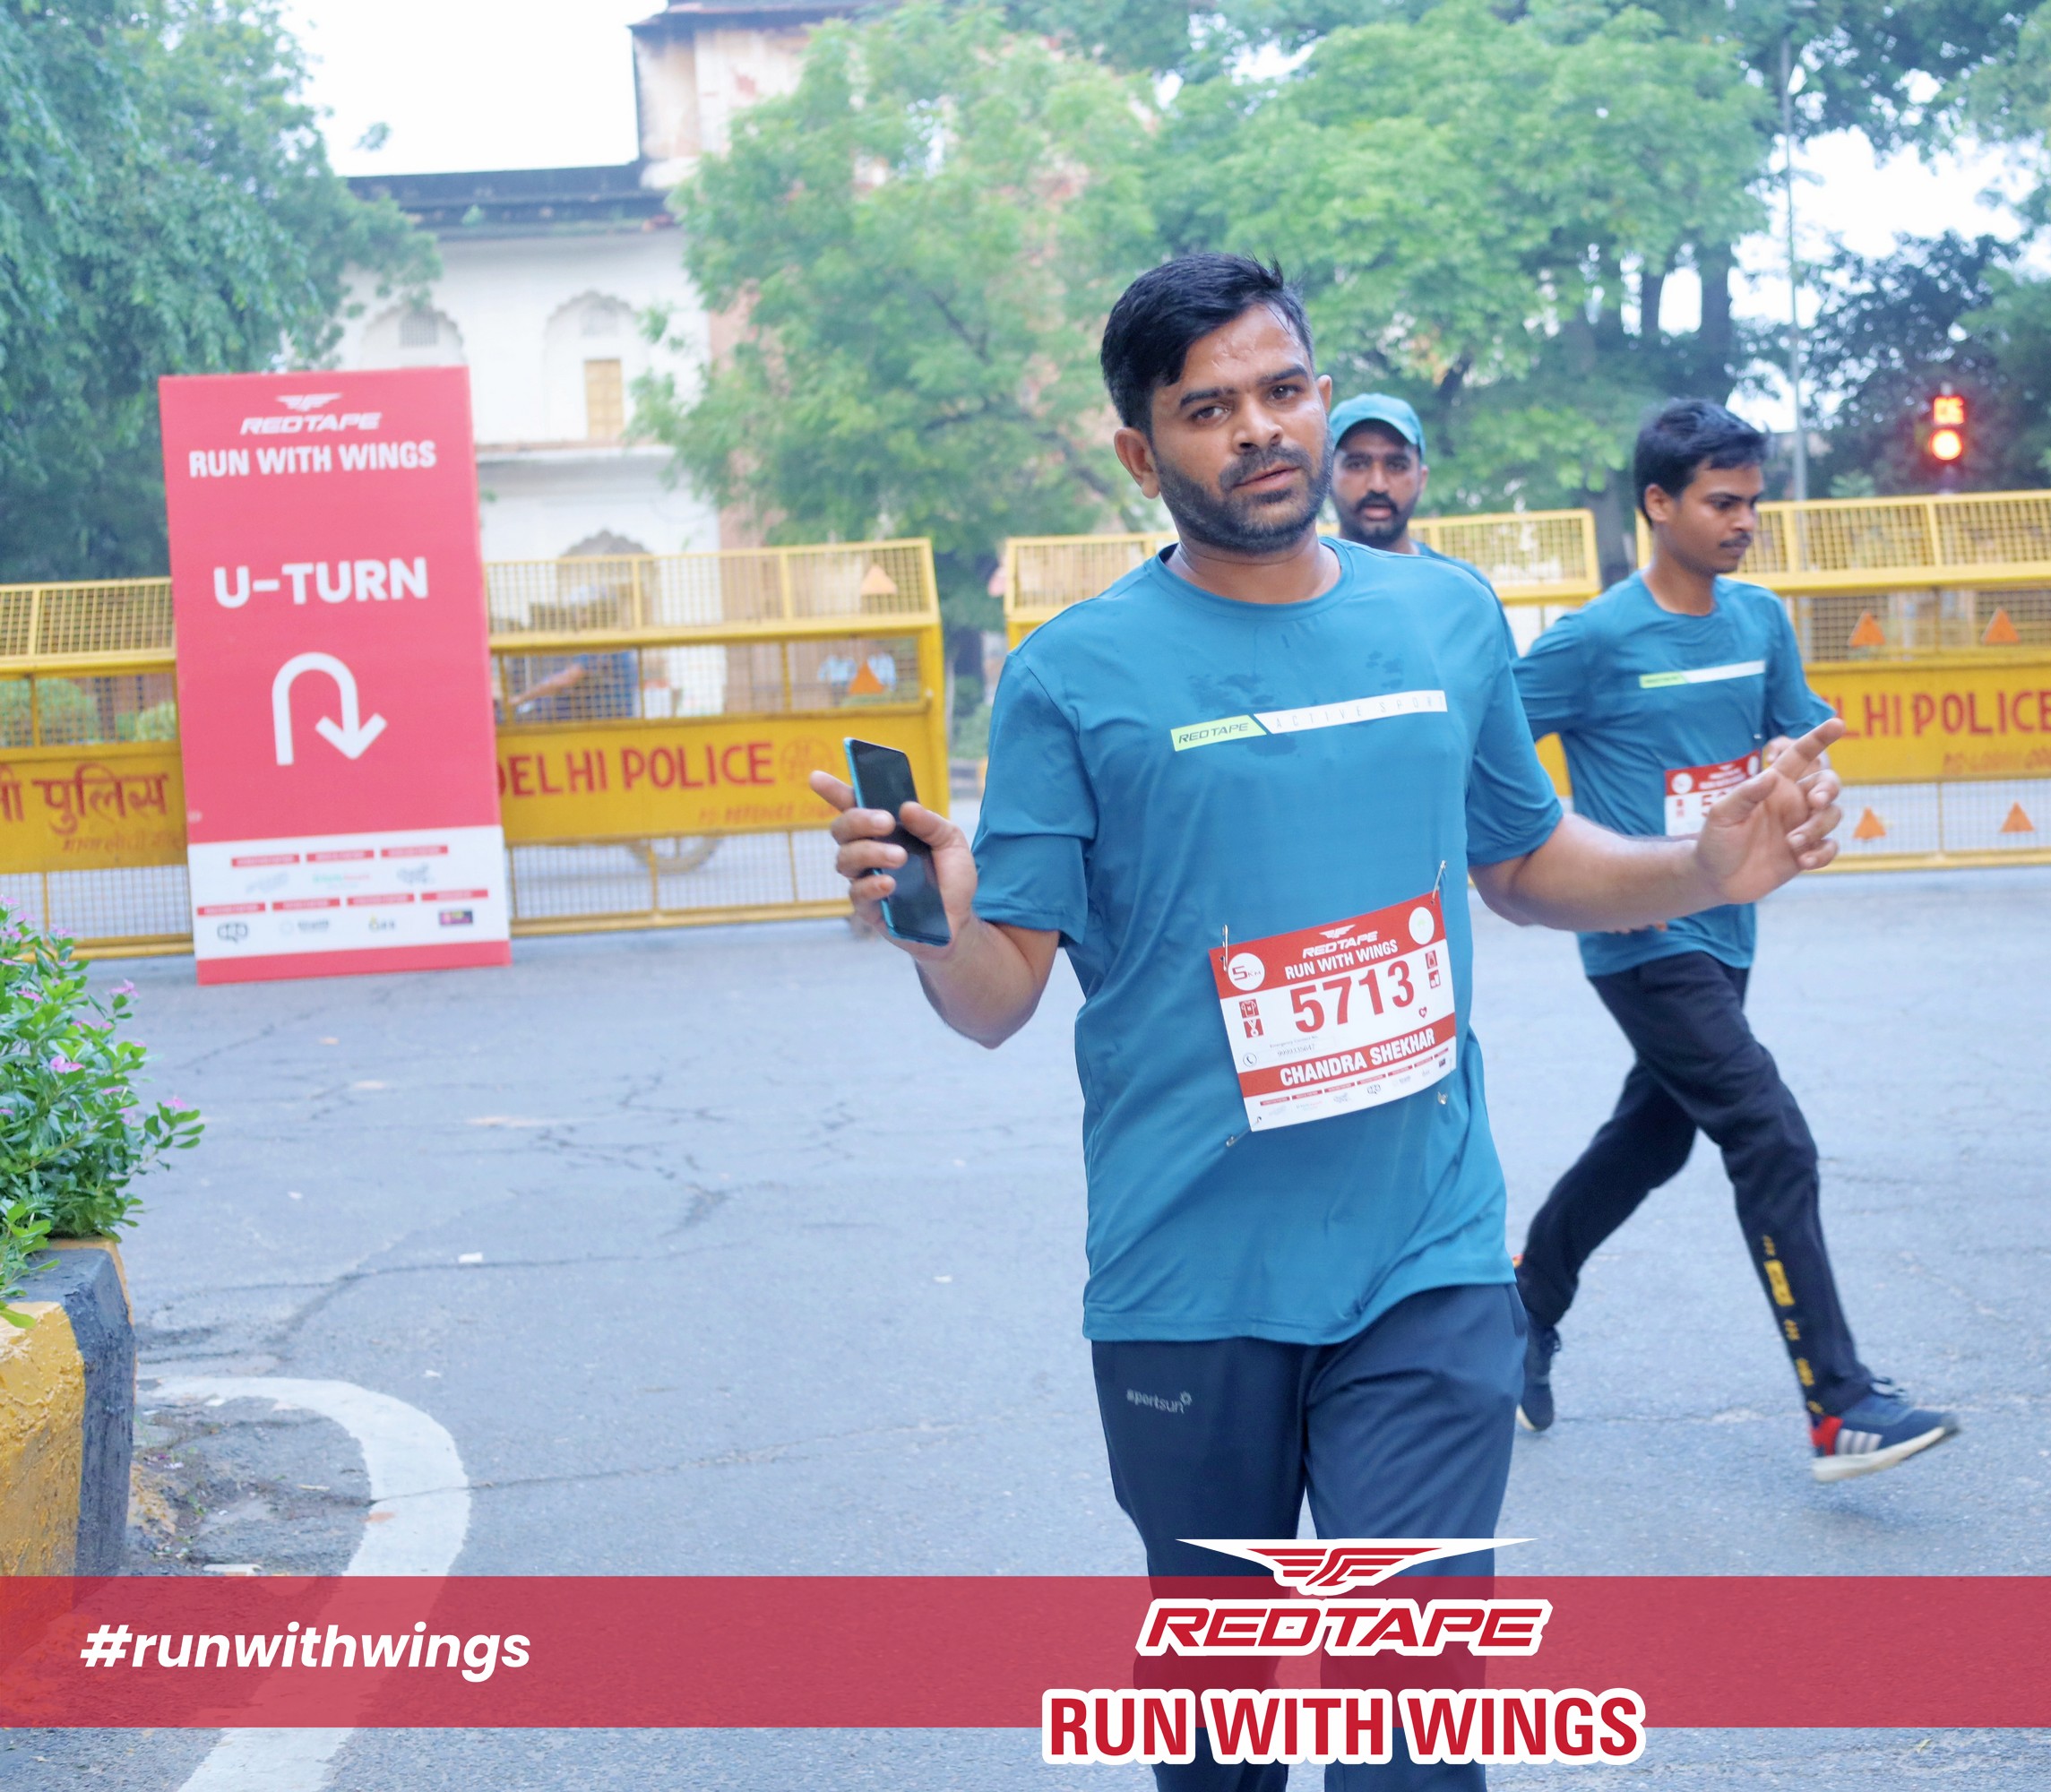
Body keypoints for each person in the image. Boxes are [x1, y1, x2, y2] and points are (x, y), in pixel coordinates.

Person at [813, 258, 1845, 1790]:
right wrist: (932, 917)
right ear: (1141, 453)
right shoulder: (1073, 676)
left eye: (1283, 390)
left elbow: (1523, 860)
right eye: (1207, 409)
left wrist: (1700, 866)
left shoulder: (1443, 617)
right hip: (1191, 1281)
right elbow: (994, 997)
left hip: (1425, 1259)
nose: (1260, 429)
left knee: (1414, 1728)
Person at [1508, 399, 1958, 1484]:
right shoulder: (1595, 639)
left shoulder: (1758, 621)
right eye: (1722, 501)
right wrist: (1583, 864)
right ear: (1658, 504)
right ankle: (1838, 1402)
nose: (1744, 520)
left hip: (1729, 928)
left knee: (1653, 1139)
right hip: (1640, 936)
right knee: (1770, 1133)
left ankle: (1522, 1304)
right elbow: (1489, 752)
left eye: (1753, 501)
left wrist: (1810, 783)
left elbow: (1795, 743)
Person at [1327, 393, 1485, 587]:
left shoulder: (1463, 587)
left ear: (1422, 479)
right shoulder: (1298, 586)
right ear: (1325, 477)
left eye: (1396, 466)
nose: (1378, 485)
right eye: (1357, 464)